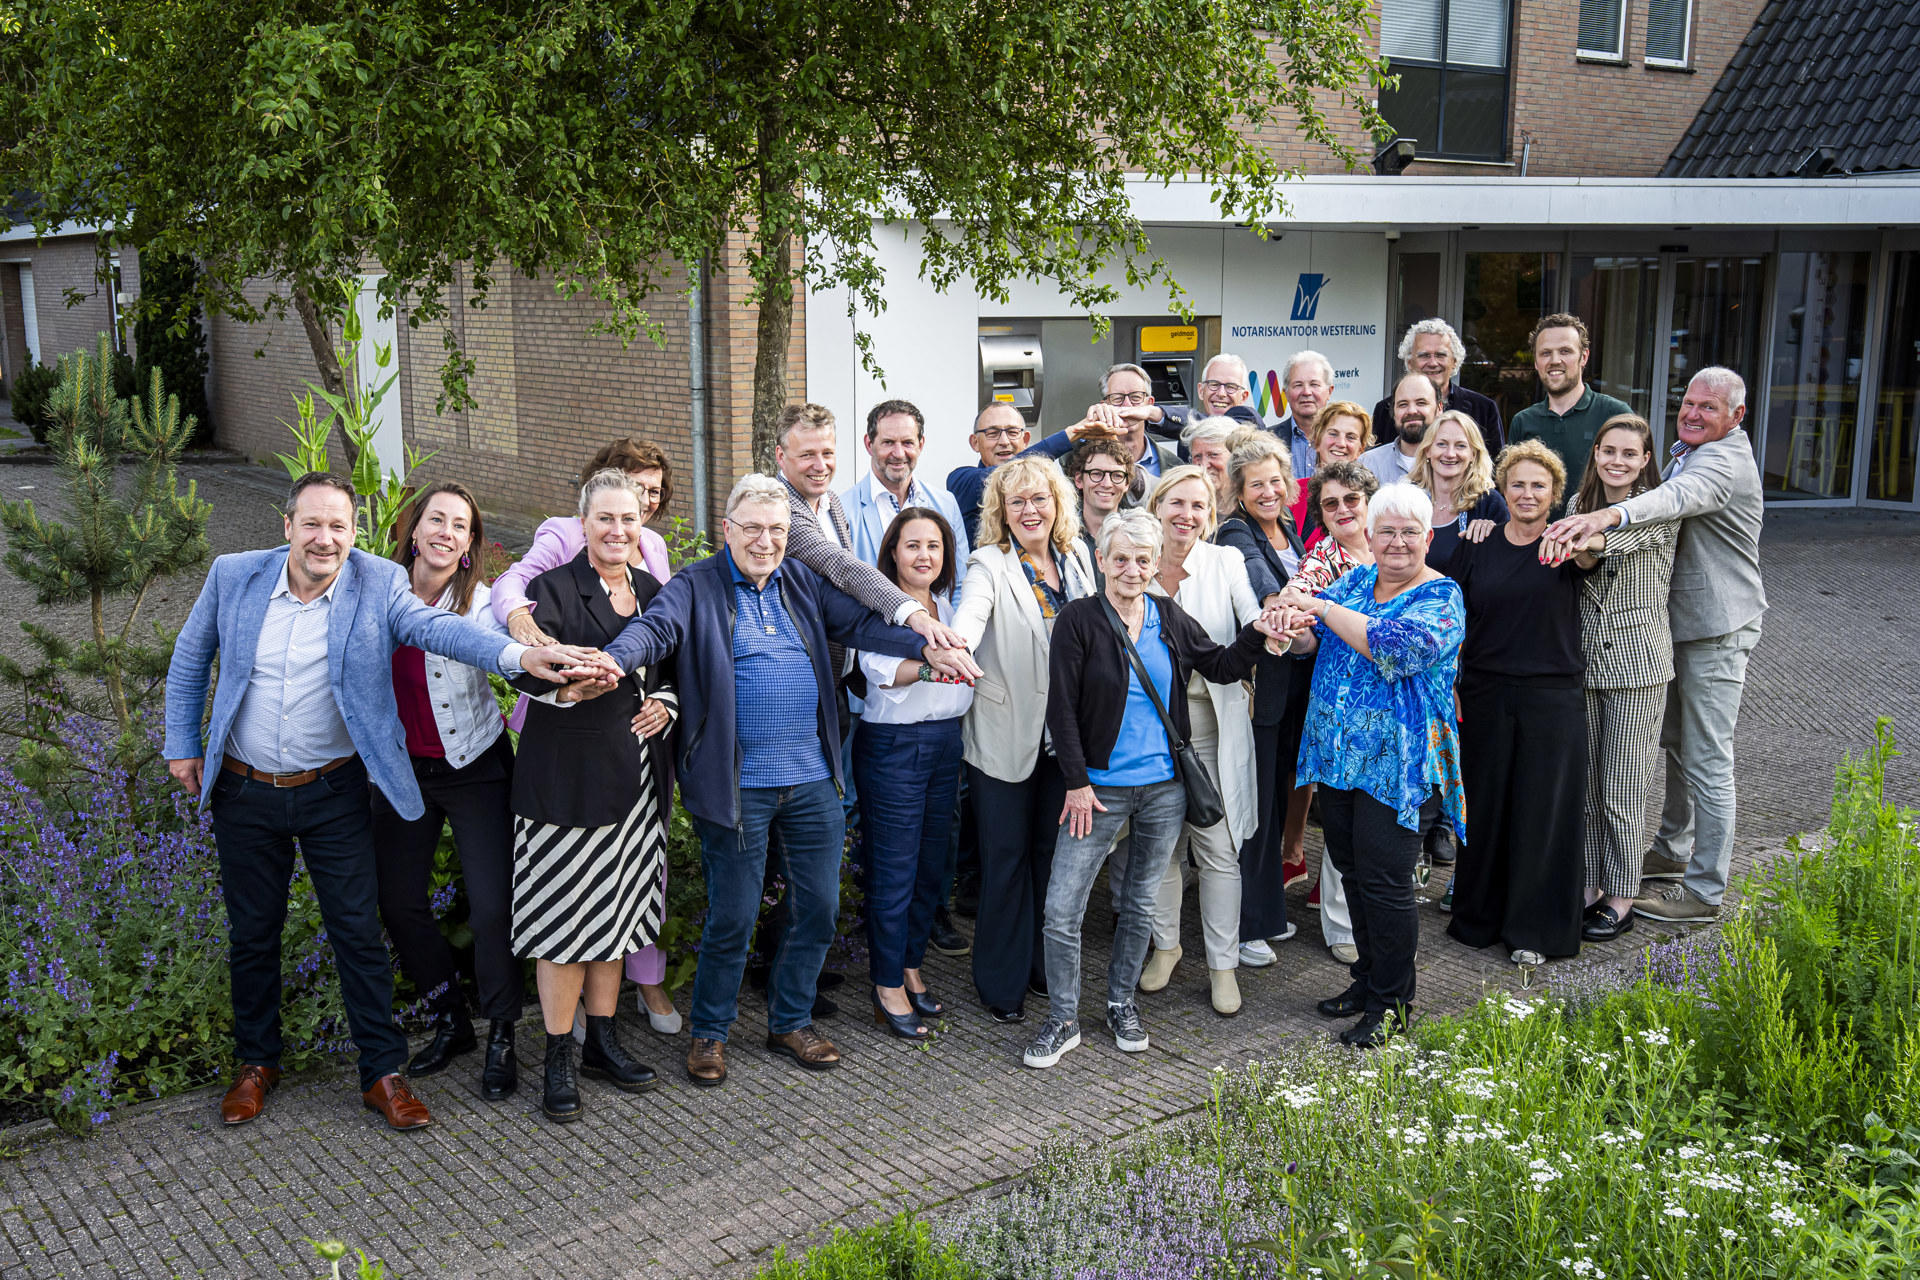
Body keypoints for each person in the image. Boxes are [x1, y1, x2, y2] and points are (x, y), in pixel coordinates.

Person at [163, 473, 596, 1130]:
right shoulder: (234, 577)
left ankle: (381, 1072)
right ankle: (257, 1063)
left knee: (360, 934)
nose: (324, 539)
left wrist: (515, 657)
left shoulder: (378, 585)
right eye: (312, 524)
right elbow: (191, 655)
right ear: (287, 526)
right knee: (253, 935)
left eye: (338, 526)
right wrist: (181, 744)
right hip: (245, 791)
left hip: (334, 788)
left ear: (355, 533)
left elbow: (441, 630)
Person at [594, 475, 957, 1087]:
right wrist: (614, 658)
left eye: (779, 531)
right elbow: (653, 631)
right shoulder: (695, 587)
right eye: (754, 529)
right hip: (736, 784)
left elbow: (864, 626)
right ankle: (710, 1033)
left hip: (812, 776)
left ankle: (789, 1020)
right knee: (733, 915)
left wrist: (928, 640)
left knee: (818, 907)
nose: (766, 541)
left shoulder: (801, 580)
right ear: (728, 530)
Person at [1026, 509, 1272, 1068]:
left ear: (1154, 563)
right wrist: (1077, 783)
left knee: (1139, 901)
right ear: (1101, 561)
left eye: (1143, 559)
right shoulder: (1078, 619)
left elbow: (1224, 665)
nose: (1132, 570)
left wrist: (1260, 630)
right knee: (1063, 909)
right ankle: (1063, 1019)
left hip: (1164, 789)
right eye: (1121, 559)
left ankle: (1119, 1001)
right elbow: (1061, 708)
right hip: (1097, 792)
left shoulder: (1169, 616)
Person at [1545, 367, 1766, 925]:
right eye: (1688, 402)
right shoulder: (1688, 449)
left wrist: (1607, 514)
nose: (1692, 414)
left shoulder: (1722, 462)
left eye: (1707, 408)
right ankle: (1671, 851)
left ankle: (1705, 891)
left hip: (1715, 627)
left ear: (1736, 417)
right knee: (1673, 747)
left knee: (1707, 758)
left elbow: (1674, 501)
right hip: (1679, 629)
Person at [492, 438, 684, 1033]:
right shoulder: (550, 589)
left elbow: (675, 668)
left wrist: (666, 703)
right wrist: (565, 685)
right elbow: (517, 665)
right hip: (566, 784)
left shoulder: (655, 591)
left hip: (636, 781)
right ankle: (558, 1052)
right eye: (606, 519)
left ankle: (601, 1042)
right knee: (562, 921)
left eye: (629, 518)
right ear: (584, 523)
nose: (619, 529)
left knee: (618, 916)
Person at [1278, 483, 1465, 1048]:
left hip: (1401, 766)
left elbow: (1393, 648)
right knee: (1353, 873)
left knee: (1386, 886)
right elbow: (1321, 642)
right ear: (1371, 535)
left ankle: (1393, 1003)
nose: (1397, 543)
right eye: (1386, 531)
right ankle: (1367, 979)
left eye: (1411, 532)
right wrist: (1292, 631)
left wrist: (1323, 609)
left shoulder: (1442, 596)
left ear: (1428, 538)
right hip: (1340, 759)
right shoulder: (1356, 580)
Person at [373, 482, 521, 1101]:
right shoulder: (375, 593)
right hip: (402, 770)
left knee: (492, 906)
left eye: (460, 527)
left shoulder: (483, 605)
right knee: (399, 902)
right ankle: (449, 1019)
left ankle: (504, 1032)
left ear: (469, 546)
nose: (446, 533)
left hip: (477, 766)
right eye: (437, 520)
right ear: (414, 530)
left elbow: (514, 659)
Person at [951, 456, 1098, 1022]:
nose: (1031, 510)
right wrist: (955, 644)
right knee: (1006, 859)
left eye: (1040, 499)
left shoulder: (1080, 557)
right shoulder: (988, 562)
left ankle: (1040, 968)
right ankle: (1001, 983)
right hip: (1005, 735)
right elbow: (971, 615)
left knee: (1048, 856)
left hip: (1067, 740)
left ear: (1058, 503)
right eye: (1018, 502)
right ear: (1002, 512)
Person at [1444, 440, 1592, 967]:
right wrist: (1453, 680)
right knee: (1483, 807)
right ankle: (1477, 920)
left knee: (1541, 812)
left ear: (1555, 494)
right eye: (1518, 484)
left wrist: (1582, 540)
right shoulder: (1478, 544)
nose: (1527, 494)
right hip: (1484, 691)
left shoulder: (1566, 545)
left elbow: (1594, 552)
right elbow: (1454, 618)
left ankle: (1536, 929)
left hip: (1552, 697)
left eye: (1539, 485)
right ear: (1501, 490)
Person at [1137, 467, 1264, 1015]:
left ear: (1209, 516)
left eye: (1198, 506)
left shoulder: (1225, 561)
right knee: (1158, 849)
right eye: (1176, 503)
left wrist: (1272, 629)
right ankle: (1166, 948)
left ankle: (1223, 965)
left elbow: (1252, 618)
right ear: (1156, 505)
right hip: (1145, 727)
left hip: (1208, 724)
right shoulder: (1130, 558)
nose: (1186, 515)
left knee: (1216, 849)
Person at [852, 509, 975, 1040]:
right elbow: (878, 673)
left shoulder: (951, 607)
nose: (924, 555)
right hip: (894, 748)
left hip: (946, 743)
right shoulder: (879, 611)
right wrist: (933, 665)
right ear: (893, 554)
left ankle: (910, 965)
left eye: (934, 545)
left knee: (932, 870)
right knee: (894, 870)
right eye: (912, 546)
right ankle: (885, 985)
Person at [1557, 415, 1677, 943]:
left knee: (1622, 787)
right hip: (1583, 663)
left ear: (1645, 460)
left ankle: (1621, 893)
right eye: (1610, 451)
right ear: (1597, 453)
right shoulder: (1576, 508)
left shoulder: (1658, 509)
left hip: (1637, 667)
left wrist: (1574, 540)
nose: (1618, 462)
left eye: (1630, 454)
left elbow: (1599, 548)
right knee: (1584, 784)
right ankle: (1585, 882)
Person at [1280, 459, 1380, 962]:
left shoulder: (1396, 542)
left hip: (1393, 704)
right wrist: (1290, 607)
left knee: (1382, 818)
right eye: (1330, 504)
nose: (1342, 510)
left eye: (1351, 500)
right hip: (1342, 704)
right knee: (1342, 817)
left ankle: (1379, 912)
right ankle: (1342, 927)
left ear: (1368, 501)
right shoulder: (1324, 559)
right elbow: (1299, 590)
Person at [1214, 436, 1310, 962]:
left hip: (1297, 686)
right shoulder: (1236, 531)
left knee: (1276, 798)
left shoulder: (1291, 531)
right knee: (1256, 805)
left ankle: (1267, 912)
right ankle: (1247, 925)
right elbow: (1253, 574)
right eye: (1257, 485)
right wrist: (1276, 600)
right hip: (1263, 692)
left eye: (1276, 481)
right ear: (1240, 492)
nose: (1269, 492)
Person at [1509, 314, 1633, 502]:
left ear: (1583, 357)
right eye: (1545, 353)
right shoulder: (1523, 421)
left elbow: (1641, 483)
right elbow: (1509, 486)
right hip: (1539, 531)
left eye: (1565, 351)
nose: (1555, 360)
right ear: (1536, 362)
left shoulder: (1615, 414)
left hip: (1597, 530)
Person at [843, 398, 970, 571]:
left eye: (907, 443)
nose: (898, 453)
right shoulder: (842, 511)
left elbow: (960, 581)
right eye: (888, 442)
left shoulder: (946, 505)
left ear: (920, 445)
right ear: (869, 444)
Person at [1020, 363, 1180, 500]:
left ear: (1150, 404)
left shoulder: (1175, 465)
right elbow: (1018, 469)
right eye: (1117, 398)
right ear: (1104, 404)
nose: (1127, 405)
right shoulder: (1071, 458)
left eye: (1136, 397)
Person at [1370, 319, 1504, 450]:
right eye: (1424, 355)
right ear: (1409, 362)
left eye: (1440, 355)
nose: (1433, 363)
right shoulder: (1385, 410)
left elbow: (1496, 467)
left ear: (1455, 361)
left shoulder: (1484, 409)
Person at [1410, 410, 1507, 570]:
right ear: (1428, 450)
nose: (1450, 454)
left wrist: (1494, 536)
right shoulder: (1408, 498)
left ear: (1473, 455)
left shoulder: (1490, 503)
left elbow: (1505, 564)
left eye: (1461, 446)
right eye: (1441, 444)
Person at [949, 403, 1030, 548]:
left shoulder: (1040, 488)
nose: (1004, 441)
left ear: (1025, 440)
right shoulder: (963, 480)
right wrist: (1067, 437)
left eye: (1012, 432)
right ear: (975, 442)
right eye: (992, 433)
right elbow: (1005, 473)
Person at [1146, 352, 1265, 445]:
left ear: (1244, 396)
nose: (1221, 393)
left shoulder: (1250, 421)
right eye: (1214, 384)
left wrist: (1154, 412)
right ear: (1201, 391)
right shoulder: (1187, 439)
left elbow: (1216, 428)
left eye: (1231, 387)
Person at [1297, 402, 1373, 546]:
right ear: (1317, 441)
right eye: (1333, 434)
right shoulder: (1293, 493)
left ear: (1360, 449)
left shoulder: (1371, 498)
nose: (1341, 443)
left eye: (1351, 437)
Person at [1063, 437, 1136, 585]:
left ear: (1127, 484)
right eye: (1096, 474)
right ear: (1078, 479)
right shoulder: (1061, 536)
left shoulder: (1140, 534)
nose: (1107, 484)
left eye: (1116, 475)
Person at [1359, 373, 1439, 487]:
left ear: (1439, 408)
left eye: (1421, 403)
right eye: (1403, 404)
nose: (1411, 411)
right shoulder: (1368, 463)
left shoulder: (1451, 462)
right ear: (1394, 413)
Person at [1272, 352, 1337, 484]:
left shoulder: (1345, 442)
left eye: (1314, 384)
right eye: (1298, 385)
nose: (1306, 392)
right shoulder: (1269, 439)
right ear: (1286, 394)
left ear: (1329, 391)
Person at [1181, 415, 1249, 511]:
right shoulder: (1186, 509)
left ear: (1236, 456)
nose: (1204, 465)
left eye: (1213, 455)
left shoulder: (1254, 503)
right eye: (1198, 456)